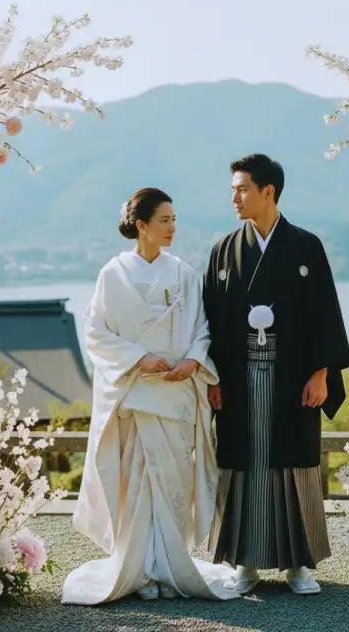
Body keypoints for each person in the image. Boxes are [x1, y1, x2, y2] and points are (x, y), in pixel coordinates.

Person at [62, 188, 239, 605]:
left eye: (174, 220)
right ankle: (138, 568)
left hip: (176, 391)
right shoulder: (113, 273)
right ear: (140, 225)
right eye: (164, 220)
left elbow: (202, 328)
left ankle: (171, 567)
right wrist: (138, 358)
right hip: (137, 392)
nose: (172, 228)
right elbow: (96, 332)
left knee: (173, 482)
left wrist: (193, 362)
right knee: (137, 484)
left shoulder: (185, 273)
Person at [204, 154, 349, 596]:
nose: (234, 197)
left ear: (268, 191)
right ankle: (244, 561)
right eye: (233, 189)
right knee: (243, 464)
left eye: (242, 188)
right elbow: (208, 320)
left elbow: (324, 312)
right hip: (238, 377)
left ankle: (299, 565)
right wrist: (212, 378)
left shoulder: (306, 246)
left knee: (295, 463)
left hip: (293, 378)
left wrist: (321, 373)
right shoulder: (224, 249)